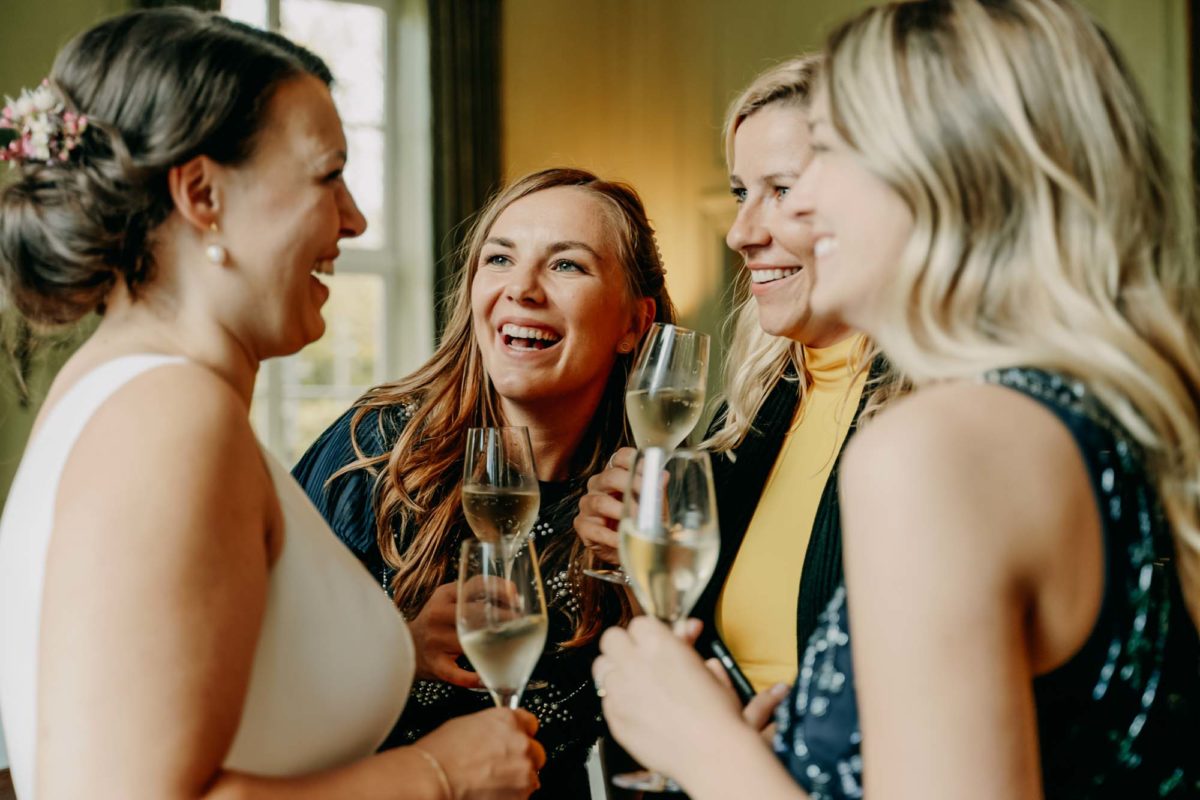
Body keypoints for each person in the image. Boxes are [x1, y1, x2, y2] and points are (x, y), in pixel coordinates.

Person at [593, 0, 1200, 797]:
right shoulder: (1093, 417)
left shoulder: (932, 447)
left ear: (953, 175)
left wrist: (699, 743)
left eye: (833, 155)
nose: (795, 206)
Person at [0, 9, 543, 798]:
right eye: (328, 176)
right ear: (203, 193)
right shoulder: (171, 416)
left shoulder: (121, 387)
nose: (355, 218)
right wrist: (442, 772)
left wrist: (386, 646)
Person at [293, 167, 675, 796]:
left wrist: (644, 581)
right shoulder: (375, 447)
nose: (521, 288)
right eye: (500, 258)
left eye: (567, 265)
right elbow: (254, 667)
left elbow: (665, 739)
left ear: (635, 324)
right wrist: (398, 651)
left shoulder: (646, 499)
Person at [575, 55, 892, 698]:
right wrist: (639, 555)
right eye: (742, 193)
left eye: (783, 190)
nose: (740, 234)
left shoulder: (941, 418)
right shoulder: (746, 415)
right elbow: (698, 645)